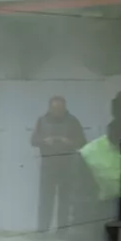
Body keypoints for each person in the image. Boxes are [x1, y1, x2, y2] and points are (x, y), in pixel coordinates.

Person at [30, 96, 86, 233]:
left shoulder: (73, 121)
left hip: (67, 166)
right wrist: (44, 141)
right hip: (48, 166)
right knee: (45, 200)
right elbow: (33, 140)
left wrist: (69, 142)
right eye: (55, 108)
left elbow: (83, 141)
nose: (58, 111)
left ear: (65, 107)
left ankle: (62, 232)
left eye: (61, 108)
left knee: (65, 200)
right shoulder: (42, 121)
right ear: (50, 108)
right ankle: (42, 231)